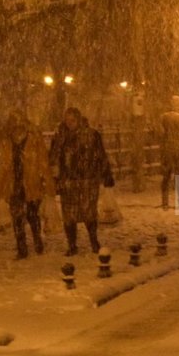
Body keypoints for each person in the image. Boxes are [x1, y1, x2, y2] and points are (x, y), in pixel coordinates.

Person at [50, 107, 115, 255]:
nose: (69, 123)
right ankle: (72, 245)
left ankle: (93, 241)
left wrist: (106, 174)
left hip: (87, 180)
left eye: (72, 120)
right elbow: (53, 159)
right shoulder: (60, 137)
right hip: (69, 181)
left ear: (78, 120)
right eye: (67, 120)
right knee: (69, 215)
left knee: (89, 213)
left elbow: (100, 155)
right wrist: (54, 178)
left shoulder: (91, 135)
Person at [0, 109, 56, 259]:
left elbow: (42, 161)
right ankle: (22, 248)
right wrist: (0, 186)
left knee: (32, 215)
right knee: (17, 218)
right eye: (14, 122)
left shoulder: (34, 138)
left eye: (19, 121)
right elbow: (3, 165)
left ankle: (37, 241)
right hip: (14, 183)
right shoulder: (7, 141)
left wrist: (48, 181)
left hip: (31, 182)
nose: (17, 125)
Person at [159, 95, 179, 209]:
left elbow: (160, 134)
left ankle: (165, 201)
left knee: (166, 175)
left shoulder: (163, 117)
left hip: (167, 150)